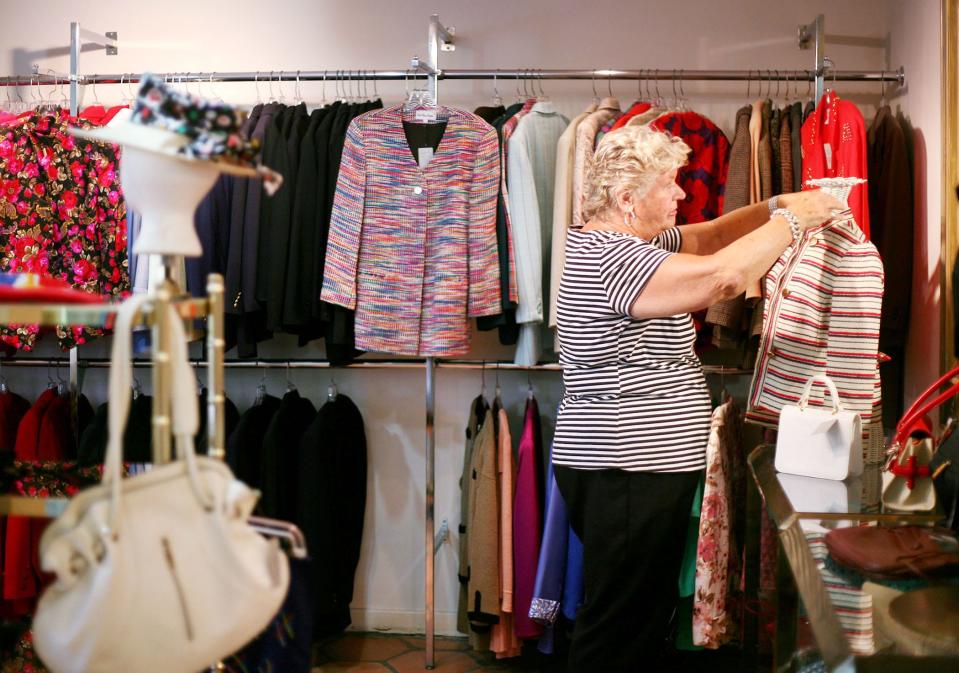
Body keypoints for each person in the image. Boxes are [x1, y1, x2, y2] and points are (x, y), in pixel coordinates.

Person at [552, 124, 841, 673]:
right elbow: (725, 276)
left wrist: (780, 202)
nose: (681, 195)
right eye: (670, 184)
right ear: (628, 199)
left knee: (636, 613)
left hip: (633, 465)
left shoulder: (627, 244)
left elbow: (710, 236)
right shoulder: (614, 258)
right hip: (625, 465)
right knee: (619, 622)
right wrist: (791, 221)